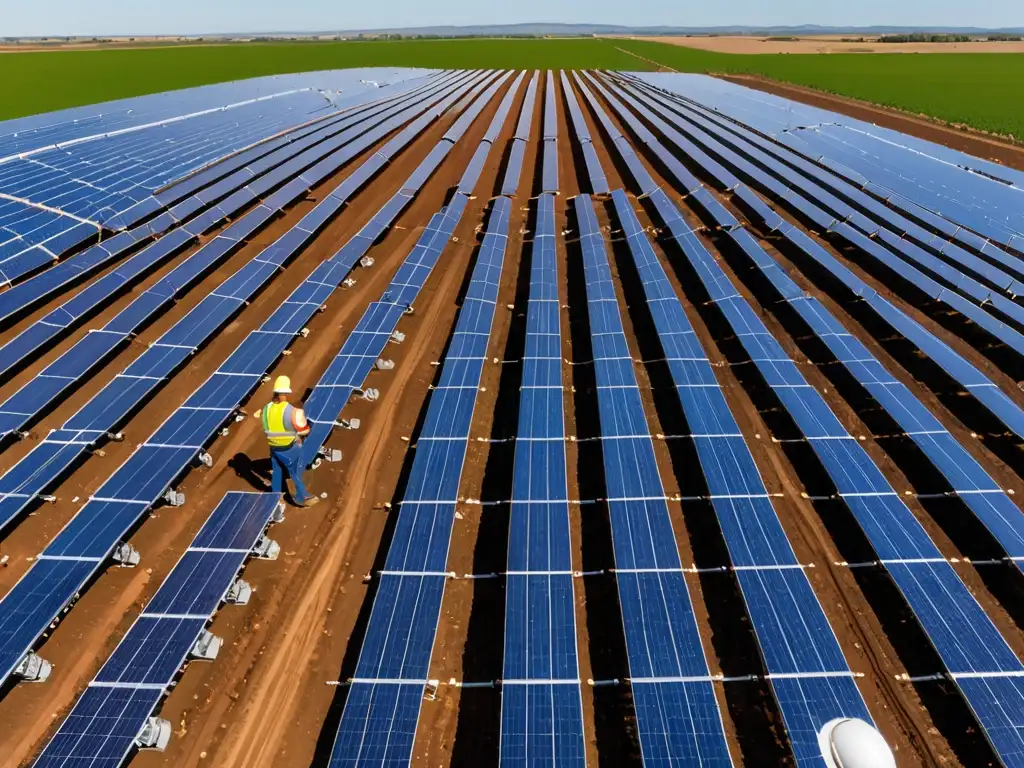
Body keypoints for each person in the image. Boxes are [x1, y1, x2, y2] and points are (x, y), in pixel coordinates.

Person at [255, 375, 319, 507]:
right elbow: (304, 430)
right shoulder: (292, 411)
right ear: (286, 393)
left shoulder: (266, 409)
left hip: (273, 447)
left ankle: (276, 497)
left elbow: (267, 427)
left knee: (277, 471)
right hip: (289, 448)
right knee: (294, 471)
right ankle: (303, 497)